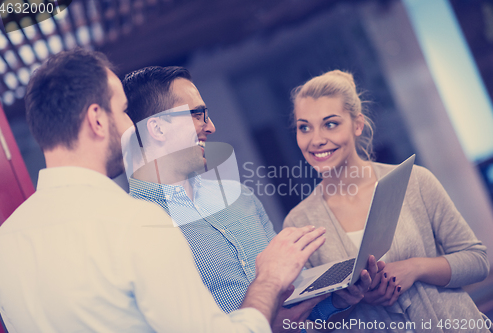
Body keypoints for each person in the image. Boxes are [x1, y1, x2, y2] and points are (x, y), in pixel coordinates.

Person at [0, 48, 328, 333]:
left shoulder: (3, 247)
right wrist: (268, 281)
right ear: (97, 119)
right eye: (124, 111)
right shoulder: (137, 222)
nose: (130, 126)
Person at [121, 66, 379, 332]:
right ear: (158, 128)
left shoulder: (240, 198)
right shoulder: (132, 232)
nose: (210, 126)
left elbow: (294, 312)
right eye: (198, 115)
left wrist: (336, 302)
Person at [283, 70, 491, 333]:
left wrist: (415, 268)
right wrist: (340, 302)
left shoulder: (415, 181)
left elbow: (478, 261)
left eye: (330, 123)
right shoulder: (299, 224)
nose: (316, 140)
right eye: (304, 127)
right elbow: (306, 324)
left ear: (357, 124)